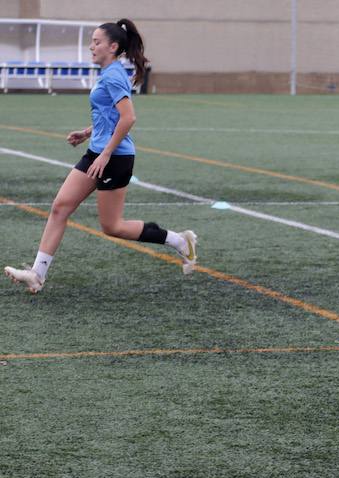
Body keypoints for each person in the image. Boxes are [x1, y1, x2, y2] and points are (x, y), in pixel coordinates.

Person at [3, 19, 197, 294]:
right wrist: (88, 132)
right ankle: (37, 274)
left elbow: (128, 118)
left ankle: (179, 241)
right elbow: (112, 115)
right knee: (60, 206)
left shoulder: (114, 75)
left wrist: (106, 153)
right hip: (97, 152)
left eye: (96, 42)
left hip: (114, 158)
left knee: (112, 226)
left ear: (113, 46)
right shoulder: (108, 73)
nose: (91, 46)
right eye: (92, 42)